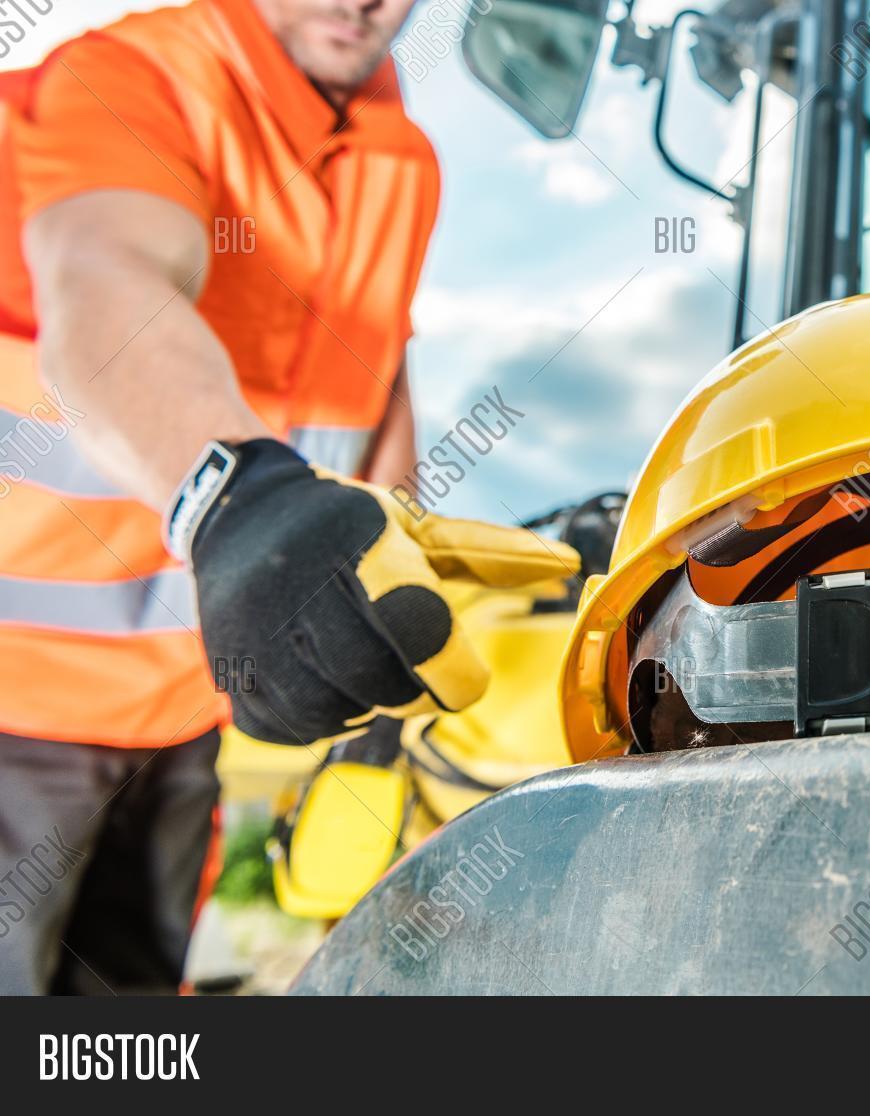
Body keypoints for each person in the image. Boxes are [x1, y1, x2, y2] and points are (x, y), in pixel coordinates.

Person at [0, 0, 575, 995]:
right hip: (20, 696)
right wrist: (238, 498)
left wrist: (385, 578)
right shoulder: (139, 77)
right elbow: (106, 285)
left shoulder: (404, 164)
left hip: (193, 700)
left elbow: (368, 385)